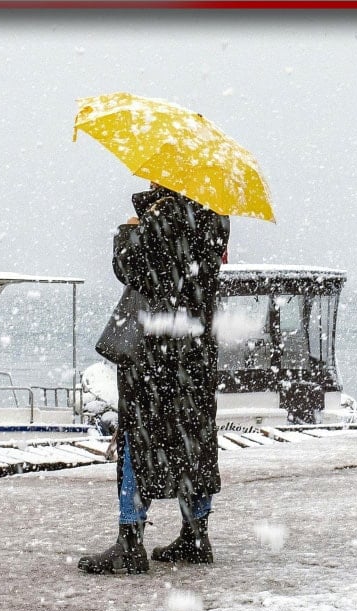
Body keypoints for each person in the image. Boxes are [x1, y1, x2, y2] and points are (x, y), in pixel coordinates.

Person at [78, 182, 229, 575]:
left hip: (154, 353)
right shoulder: (215, 217)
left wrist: (129, 229)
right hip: (195, 351)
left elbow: (128, 269)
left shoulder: (159, 217)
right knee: (194, 439)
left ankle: (130, 543)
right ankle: (195, 537)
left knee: (137, 440)